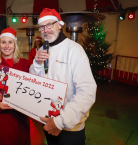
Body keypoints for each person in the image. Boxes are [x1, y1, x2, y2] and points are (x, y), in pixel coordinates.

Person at [29, 8, 97, 145]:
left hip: (69, 126)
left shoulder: (74, 50)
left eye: (50, 24)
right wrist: (36, 64)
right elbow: (33, 81)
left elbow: (87, 92)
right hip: (48, 121)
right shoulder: (42, 49)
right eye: (42, 27)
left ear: (60, 25)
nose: (46, 30)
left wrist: (60, 122)